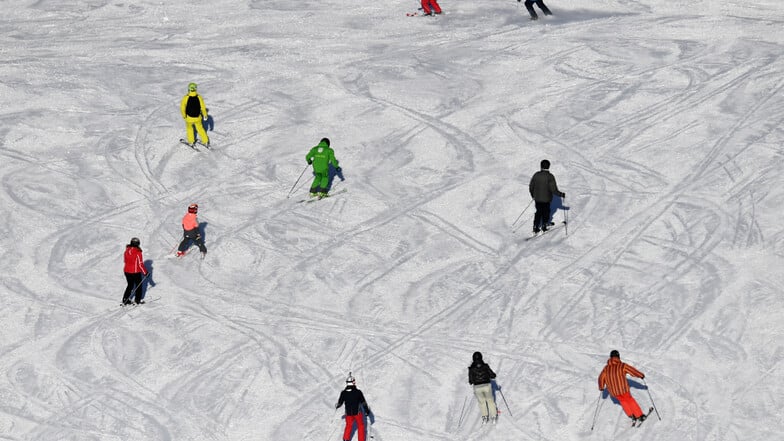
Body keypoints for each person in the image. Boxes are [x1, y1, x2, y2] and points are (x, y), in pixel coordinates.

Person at [598, 350, 647, 423]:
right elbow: (632, 371)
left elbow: (601, 378)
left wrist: (601, 387)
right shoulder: (622, 366)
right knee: (629, 400)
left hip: (614, 392)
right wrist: (641, 375)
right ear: (618, 357)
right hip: (623, 389)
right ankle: (639, 415)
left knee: (623, 401)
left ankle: (631, 415)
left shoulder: (606, 368)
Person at [528, 159, 565, 235]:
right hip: (546, 199)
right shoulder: (550, 176)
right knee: (546, 211)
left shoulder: (536, 175)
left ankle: (535, 226)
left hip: (537, 199)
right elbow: (554, 190)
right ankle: (544, 226)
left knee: (538, 212)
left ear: (541, 166)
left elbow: (531, 186)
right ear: (549, 166)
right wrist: (561, 194)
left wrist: (533, 195)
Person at [336, 373, 372, 441]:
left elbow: (340, 403)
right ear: (353, 382)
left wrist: (338, 405)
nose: (355, 382)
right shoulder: (358, 392)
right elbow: (363, 402)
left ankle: (346, 439)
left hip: (348, 413)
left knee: (349, 425)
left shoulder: (343, 393)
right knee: (360, 426)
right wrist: (367, 411)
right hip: (357, 413)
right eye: (354, 381)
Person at [468, 351, 498, 424]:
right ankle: (493, 416)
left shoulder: (471, 369)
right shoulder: (485, 366)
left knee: (482, 403)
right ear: (481, 357)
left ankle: (485, 417)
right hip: (487, 386)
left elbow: (470, 381)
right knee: (490, 401)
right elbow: (493, 375)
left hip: (477, 388)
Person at [180, 82, 210, 147]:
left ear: (189, 89)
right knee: (200, 129)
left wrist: (184, 115)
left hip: (189, 118)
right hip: (198, 118)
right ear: (196, 89)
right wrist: (205, 115)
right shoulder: (199, 97)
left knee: (190, 129)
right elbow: (203, 107)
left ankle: (191, 142)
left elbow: (183, 107)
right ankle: (205, 141)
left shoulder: (186, 97)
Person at [123, 237, 148, 305]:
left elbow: (125, 261)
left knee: (130, 285)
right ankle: (138, 300)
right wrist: (145, 272)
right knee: (138, 286)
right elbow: (140, 264)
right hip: (135, 271)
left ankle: (125, 299)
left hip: (127, 271)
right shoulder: (138, 252)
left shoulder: (127, 251)